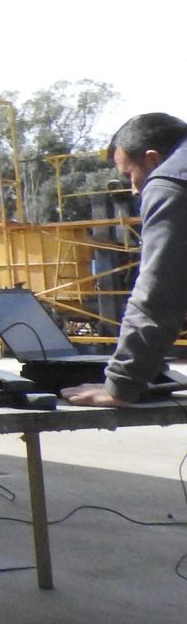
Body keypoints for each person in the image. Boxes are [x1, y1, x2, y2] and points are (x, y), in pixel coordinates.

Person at [61, 112, 187, 408]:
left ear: (153, 159)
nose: (132, 189)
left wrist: (120, 384)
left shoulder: (169, 183)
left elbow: (159, 293)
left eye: (130, 174)